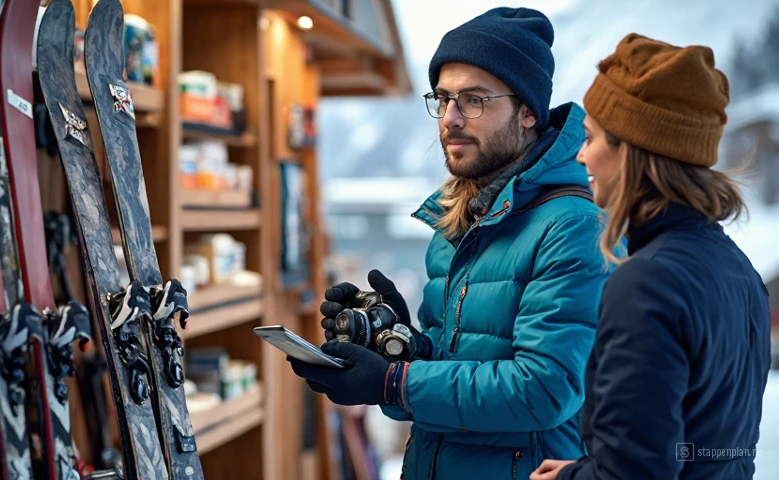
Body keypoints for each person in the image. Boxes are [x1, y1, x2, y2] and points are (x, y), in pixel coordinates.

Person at [288, 7, 615, 479]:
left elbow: (544, 390)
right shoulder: (456, 223)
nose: (450, 118)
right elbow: (442, 387)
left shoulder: (573, 226)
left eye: (474, 100)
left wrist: (393, 382)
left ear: (527, 112)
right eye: (442, 99)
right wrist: (397, 345)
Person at [531, 33, 773, 480]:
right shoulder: (738, 270)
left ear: (632, 150)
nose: (582, 155)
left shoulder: (647, 282)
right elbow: (702, 447)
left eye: (591, 138)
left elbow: (635, 472)